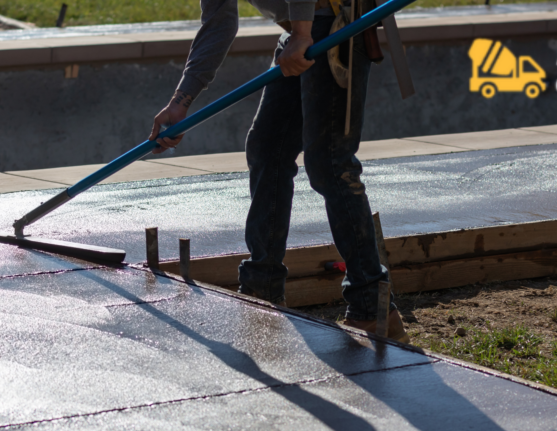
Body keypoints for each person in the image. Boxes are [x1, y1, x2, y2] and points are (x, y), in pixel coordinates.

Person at [149, 0, 409, 342]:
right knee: (268, 149)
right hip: (302, 31)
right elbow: (219, 24)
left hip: (331, 24)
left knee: (330, 162)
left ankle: (372, 307)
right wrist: (181, 102)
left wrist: (302, 32)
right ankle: (262, 290)